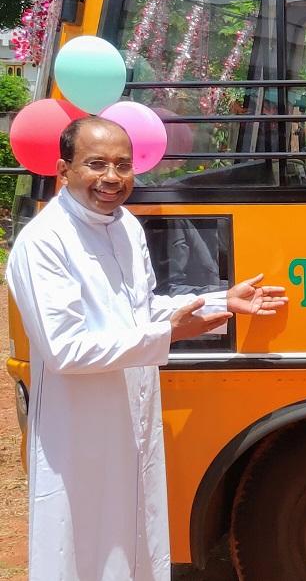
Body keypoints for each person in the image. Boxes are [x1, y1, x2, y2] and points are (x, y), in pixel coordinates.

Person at [6, 116, 288, 581]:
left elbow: (140, 308)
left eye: (122, 165)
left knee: (138, 538)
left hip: (132, 418)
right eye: (96, 164)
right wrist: (167, 336)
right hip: (81, 431)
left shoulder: (125, 228)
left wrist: (222, 300)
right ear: (63, 169)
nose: (112, 178)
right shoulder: (44, 243)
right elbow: (65, 350)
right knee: (83, 549)